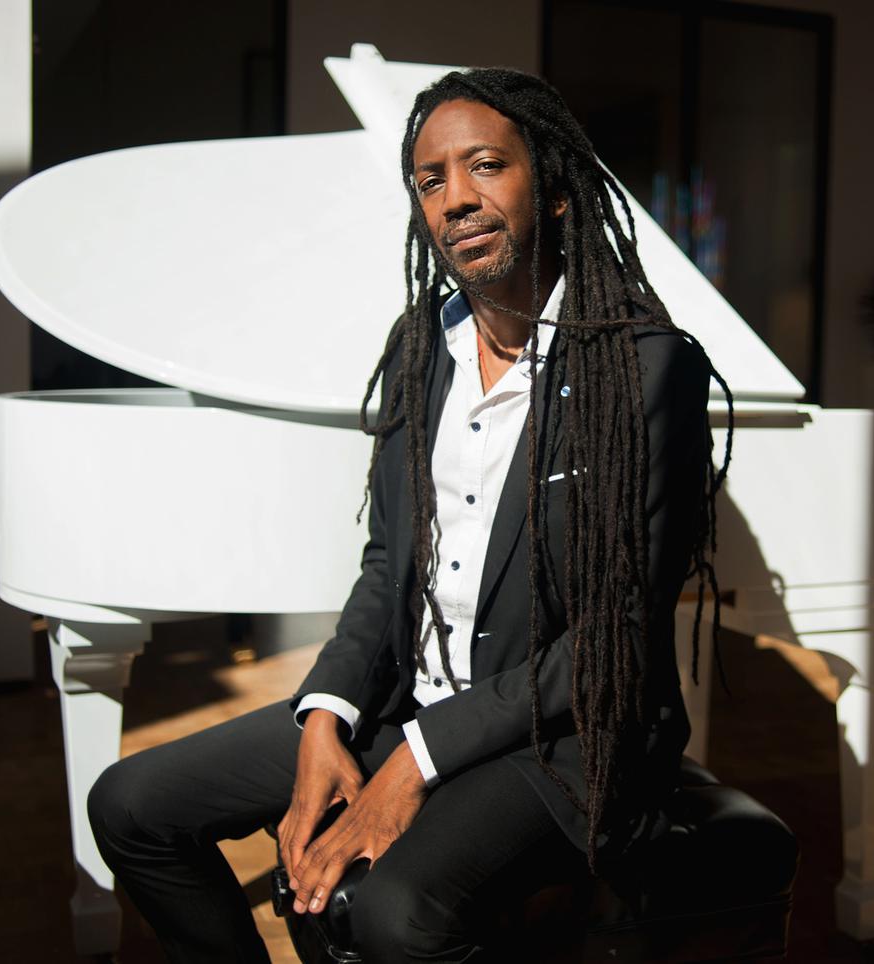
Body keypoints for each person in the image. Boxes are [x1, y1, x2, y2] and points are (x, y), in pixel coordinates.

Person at [87, 66, 730, 963]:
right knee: (131, 805)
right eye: (431, 180)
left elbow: (611, 637)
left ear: (551, 188)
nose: (455, 197)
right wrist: (325, 716)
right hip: (411, 703)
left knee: (392, 914)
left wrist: (415, 761)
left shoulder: (643, 369)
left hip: (564, 736)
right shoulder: (422, 347)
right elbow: (389, 563)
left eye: (486, 166)